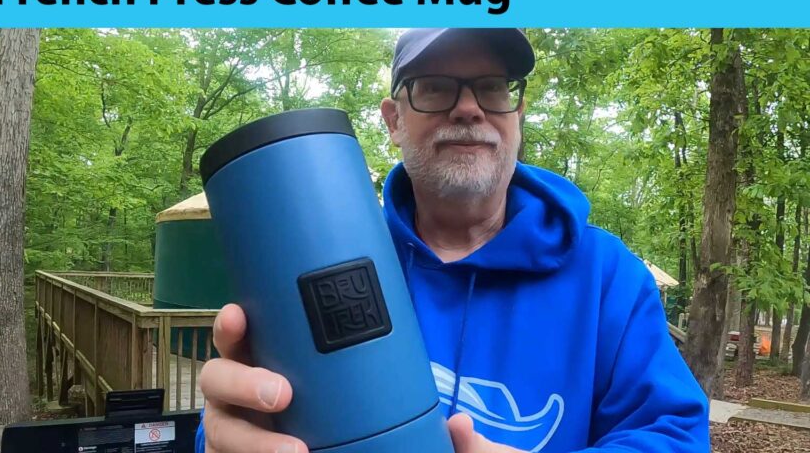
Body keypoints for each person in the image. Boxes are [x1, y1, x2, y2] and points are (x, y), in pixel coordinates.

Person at [195, 28, 710, 453]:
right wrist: (219, 438)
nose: (469, 109)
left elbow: (677, 437)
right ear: (393, 120)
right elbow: (243, 422)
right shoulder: (320, 260)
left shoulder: (606, 277)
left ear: (517, 116)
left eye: (492, 87)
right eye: (437, 87)